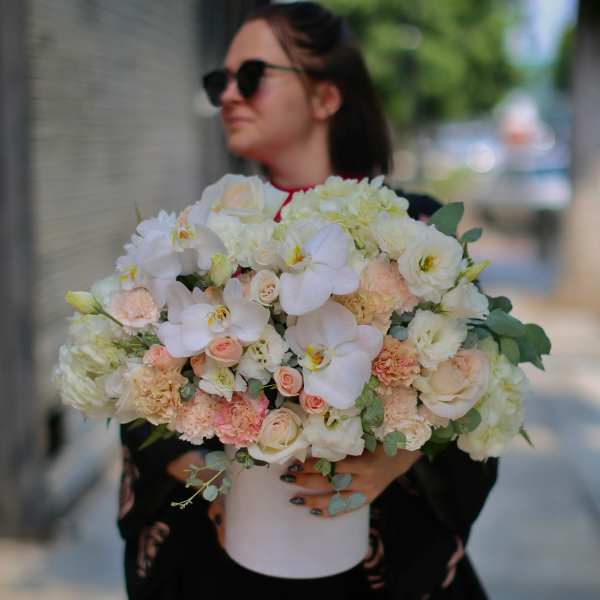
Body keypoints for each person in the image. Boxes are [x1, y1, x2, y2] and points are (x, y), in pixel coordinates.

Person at [118, 3, 497, 598]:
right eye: (220, 82)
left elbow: (483, 387)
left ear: (326, 96)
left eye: (251, 77)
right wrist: (202, 475)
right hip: (229, 556)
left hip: (375, 558)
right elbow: (135, 382)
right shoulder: (201, 234)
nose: (228, 96)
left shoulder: (415, 233)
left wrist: (392, 462)